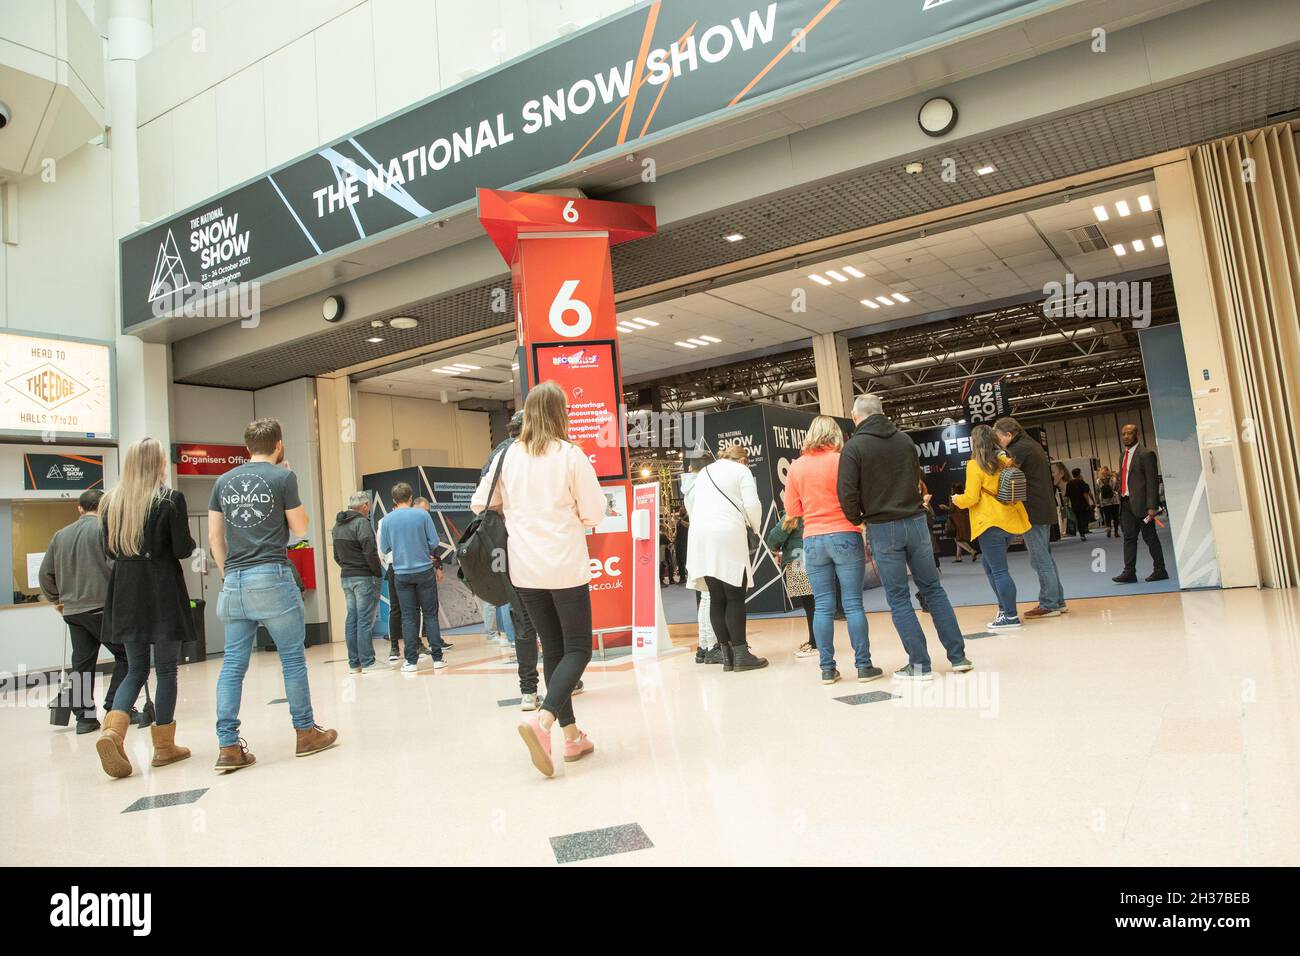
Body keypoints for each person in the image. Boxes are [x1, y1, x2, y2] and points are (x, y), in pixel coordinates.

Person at [471, 380, 605, 777]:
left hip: (525, 569)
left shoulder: (508, 456)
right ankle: (543, 722)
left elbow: (481, 502)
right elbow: (594, 511)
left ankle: (572, 736)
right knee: (579, 648)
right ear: (561, 413)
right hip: (564, 564)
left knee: (554, 649)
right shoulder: (570, 455)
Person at [210, 418, 337, 773]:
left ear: (246, 446)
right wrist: (288, 484)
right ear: (279, 445)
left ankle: (228, 745)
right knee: (292, 659)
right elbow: (300, 528)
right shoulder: (283, 477)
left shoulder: (222, 482)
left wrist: (228, 574)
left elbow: (214, 539)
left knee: (233, 665)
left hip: (233, 580)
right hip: (272, 577)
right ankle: (305, 733)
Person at [838, 394, 972, 682]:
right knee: (933, 589)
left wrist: (858, 520)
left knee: (898, 597)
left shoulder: (854, 447)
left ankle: (920, 665)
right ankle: (958, 656)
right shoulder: (904, 440)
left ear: (856, 416)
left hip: (882, 527)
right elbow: (915, 477)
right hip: (915, 522)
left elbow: (846, 493)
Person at [94, 438, 197, 778]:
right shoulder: (169, 500)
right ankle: (165, 748)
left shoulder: (110, 502)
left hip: (126, 589)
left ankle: (113, 732)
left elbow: (110, 551)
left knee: (135, 668)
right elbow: (182, 548)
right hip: (162, 588)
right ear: (158, 464)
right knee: (166, 670)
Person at [784, 415, 879, 684]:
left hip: (812, 539)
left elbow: (793, 511)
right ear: (835, 434)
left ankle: (827, 669)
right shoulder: (844, 460)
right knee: (852, 604)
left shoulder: (796, 467)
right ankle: (863, 667)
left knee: (823, 606)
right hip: (845, 533)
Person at [39, 489, 129, 735]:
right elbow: (117, 570)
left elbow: (45, 574)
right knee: (128, 658)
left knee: (82, 663)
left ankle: (85, 719)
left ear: (80, 508)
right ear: (104, 507)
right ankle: (116, 707)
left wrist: (57, 600)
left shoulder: (60, 536)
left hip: (74, 612)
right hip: (103, 609)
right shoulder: (105, 531)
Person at [684, 444, 769, 673]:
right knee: (734, 597)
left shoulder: (704, 473)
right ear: (743, 460)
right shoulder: (741, 471)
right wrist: (755, 527)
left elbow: (692, 506)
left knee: (717, 597)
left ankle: (727, 655)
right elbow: (752, 504)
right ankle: (741, 654)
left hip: (700, 538)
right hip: (727, 535)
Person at [953, 425, 1032, 629]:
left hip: (989, 523)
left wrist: (956, 499)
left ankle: (1011, 616)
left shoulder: (974, 465)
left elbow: (970, 498)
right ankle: (1004, 608)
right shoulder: (1005, 460)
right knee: (990, 566)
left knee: (998, 571)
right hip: (1008, 521)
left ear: (975, 442)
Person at [993, 417, 1068, 619]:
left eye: (999, 438)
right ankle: (1057, 600)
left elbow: (1004, 471)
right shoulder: (1031, 445)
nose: (998, 442)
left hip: (1032, 510)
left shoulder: (1019, 449)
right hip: (1042, 507)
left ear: (1009, 435)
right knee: (1045, 558)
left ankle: (1049, 603)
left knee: (1039, 559)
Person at [378, 482, 446, 673]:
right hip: (424, 570)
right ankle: (438, 659)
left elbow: (384, 548)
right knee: (430, 614)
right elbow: (433, 541)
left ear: (394, 500)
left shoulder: (388, 520)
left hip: (401, 573)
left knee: (408, 617)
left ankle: (411, 662)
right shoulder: (422, 515)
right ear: (410, 498)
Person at [331, 491, 385, 673]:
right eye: (368, 505)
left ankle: (354, 663)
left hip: (346, 577)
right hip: (364, 577)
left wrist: (347, 567)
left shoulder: (337, 526)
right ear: (364, 506)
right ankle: (368, 661)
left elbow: (336, 556)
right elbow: (369, 552)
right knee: (364, 620)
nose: (368, 508)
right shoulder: (362, 523)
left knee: (351, 619)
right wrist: (377, 573)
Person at [1113, 423, 1168, 583]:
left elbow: (1152, 482)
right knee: (1128, 538)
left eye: (1129, 433)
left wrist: (1152, 507)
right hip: (1126, 504)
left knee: (1150, 538)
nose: (1126, 436)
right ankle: (1129, 572)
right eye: (1123, 434)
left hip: (1143, 506)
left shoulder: (1146, 454)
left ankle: (1160, 570)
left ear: (1137, 434)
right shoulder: (1122, 454)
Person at [766, 513, 816, 659]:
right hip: (819, 556)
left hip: (799, 560)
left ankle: (816, 643)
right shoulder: (812, 506)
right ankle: (816, 641)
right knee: (818, 603)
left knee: (810, 604)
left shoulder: (793, 513)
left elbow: (774, 538)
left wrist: (776, 551)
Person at [413, 496, 452, 652]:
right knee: (413, 611)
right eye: (424, 510)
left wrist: (438, 566)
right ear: (414, 506)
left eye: (428, 511)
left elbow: (434, 545)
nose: (426, 514)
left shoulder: (427, 522)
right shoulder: (410, 523)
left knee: (431, 609)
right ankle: (416, 645)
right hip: (412, 571)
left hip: (428, 569)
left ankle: (435, 641)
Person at [1064, 468, 1095, 541]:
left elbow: (1066, 496)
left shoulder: (1069, 483)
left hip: (1074, 505)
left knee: (1078, 519)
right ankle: (1083, 533)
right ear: (1079, 474)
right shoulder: (1082, 482)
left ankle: (1082, 533)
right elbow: (1085, 494)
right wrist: (1089, 503)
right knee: (1083, 518)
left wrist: (1066, 504)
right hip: (1082, 504)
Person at [1097, 466, 1120, 538]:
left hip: (1104, 501)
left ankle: (1109, 528)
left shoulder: (1098, 481)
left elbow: (1097, 491)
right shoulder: (1113, 479)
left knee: (1107, 516)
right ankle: (1116, 532)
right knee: (1115, 516)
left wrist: (1097, 502)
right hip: (1114, 500)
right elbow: (1117, 488)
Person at [673, 508, 689, 585]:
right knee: (679, 559)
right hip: (678, 541)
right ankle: (682, 577)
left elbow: (688, 525)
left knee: (685, 559)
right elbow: (676, 530)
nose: (680, 511)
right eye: (679, 510)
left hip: (685, 541)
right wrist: (673, 540)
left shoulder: (687, 517)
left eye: (681, 510)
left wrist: (680, 520)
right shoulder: (679, 519)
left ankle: (688, 577)